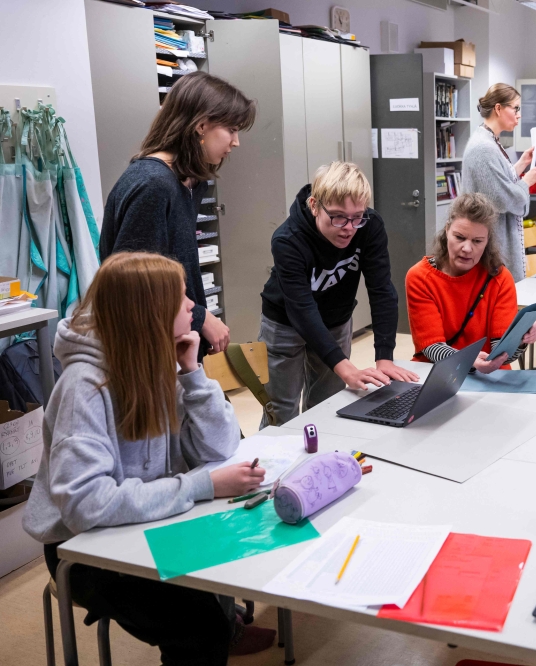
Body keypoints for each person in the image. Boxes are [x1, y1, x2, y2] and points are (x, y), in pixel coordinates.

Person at [22, 252, 275, 664]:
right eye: (181, 298)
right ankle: (218, 626)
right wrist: (201, 485)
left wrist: (193, 374)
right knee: (201, 628)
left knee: (246, 548)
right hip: (83, 550)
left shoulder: (156, 360)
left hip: (145, 522)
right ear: (148, 313)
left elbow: (220, 447)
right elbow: (86, 506)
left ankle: (222, 621)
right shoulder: (84, 387)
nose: (192, 306)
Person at [99, 72, 255, 359]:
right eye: (232, 129)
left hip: (177, 341)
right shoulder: (153, 185)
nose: (236, 142)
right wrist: (200, 317)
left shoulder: (189, 182)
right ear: (201, 125)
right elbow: (135, 284)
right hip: (148, 351)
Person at [260, 162, 418, 427]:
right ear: (314, 205)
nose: (349, 227)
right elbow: (301, 309)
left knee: (327, 403)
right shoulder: (288, 239)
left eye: (357, 216)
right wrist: (347, 369)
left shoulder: (370, 227)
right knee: (281, 410)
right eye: (338, 217)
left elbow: (381, 290)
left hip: (335, 319)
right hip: (285, 323)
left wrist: (384, 356)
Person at [406, 193, 536, 373]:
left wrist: (520, 339)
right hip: (439, 372)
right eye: (460, 237)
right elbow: (432, 347)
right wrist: (469, 360)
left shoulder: (499, 278)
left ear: (487, 241)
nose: (467, 248)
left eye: (477, 241)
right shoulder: (420, 277)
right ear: (447, 230)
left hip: (489, 375)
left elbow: (502, 352)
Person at [462, 83, 536, 282]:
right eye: (516, 108)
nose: (519, 115)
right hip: (490, 246)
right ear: (498, 108)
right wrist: (526, 183)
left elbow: (496, 182)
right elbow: (504, 198)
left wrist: (521, 164)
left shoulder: (489, 141)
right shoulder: (483, 148)